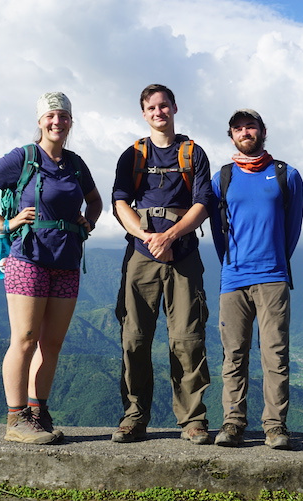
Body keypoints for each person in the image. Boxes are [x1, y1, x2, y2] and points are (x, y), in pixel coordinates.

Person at [0, 92, 103, 444]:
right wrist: (4, 224)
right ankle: (15, 418)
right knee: (25, 339)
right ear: (40, 121)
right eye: (51, 116)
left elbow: (95, 199)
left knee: (51, 343)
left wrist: (90, 220)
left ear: (71, 121)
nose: (58, 122)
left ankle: (38, 412)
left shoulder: (75, 163)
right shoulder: (23, 157)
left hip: (67, 260)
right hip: (28, 257)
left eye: (64, 116)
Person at [110, 84, 213, 445]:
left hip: (183, 253)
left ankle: (193, 420)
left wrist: (169, 237)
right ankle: (134, 417)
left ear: (175, 108)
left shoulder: (193, 153)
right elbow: (120, 201)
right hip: (141, 254)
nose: (159, 112)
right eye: (152, 107)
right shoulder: (133, 155)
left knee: (187, 339)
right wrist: (146, 235)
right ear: (144, 113)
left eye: (164, 106)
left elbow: (203, 203)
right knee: (134, 338)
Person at [209, 109, 303, 449]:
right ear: (231, 135)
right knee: (233, 354)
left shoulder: (285, 175)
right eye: (238, 128)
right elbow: (218, 232)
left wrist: (275, 260)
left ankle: (275, 427)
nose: (245, 132)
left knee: (275, 355)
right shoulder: (221, 178)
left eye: (251, 126)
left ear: (263, 131)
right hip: (233, 279)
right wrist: (231, 263)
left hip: (273, 277)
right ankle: (233, 424)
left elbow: (292, 228)